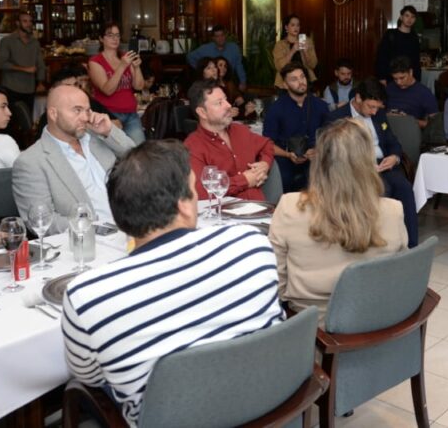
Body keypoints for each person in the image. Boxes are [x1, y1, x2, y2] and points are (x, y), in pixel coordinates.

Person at [62, 140, 283, 425]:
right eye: (193, 192)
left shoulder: (86, 296)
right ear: (184, 207)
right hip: (267, 404)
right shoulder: (251, 243)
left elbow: (89, 375)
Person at [268, 118, 408, 316]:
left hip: (313, 328)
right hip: (376, 322)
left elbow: (277, 282)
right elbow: (401, 274)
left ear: (319, 160)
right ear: (368, 161)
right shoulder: (393, 211)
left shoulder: (290, 207)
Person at [12, 84, 135, 234]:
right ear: (53, 114)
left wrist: (108, 132)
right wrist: (93, 228)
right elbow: (40, 220)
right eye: (77, 110)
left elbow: (137, 160)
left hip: (132, 224)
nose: (85, 117)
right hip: (88, 241)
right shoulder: (31, 161)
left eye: (87, 110)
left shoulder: (97, 137)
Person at [327, 77, 418, 247]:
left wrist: (395, 157)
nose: (375, 112)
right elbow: (333, 153)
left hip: (383, 164)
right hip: (355, 167)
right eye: (371, 107)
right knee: (384, 188)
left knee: (405, 187)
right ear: (359, 98)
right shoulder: (336, 117)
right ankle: (380, 244)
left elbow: (393, 142)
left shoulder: (379, 115)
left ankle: (411, 245)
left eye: (378, 107)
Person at [184, 80, 273, 201]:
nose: (228, 105)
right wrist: (244, 180)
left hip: (260, 210)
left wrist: (265, 164)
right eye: (219, 103)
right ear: (202, 112)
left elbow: (267, 144)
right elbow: (201, 192)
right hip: (222, 216)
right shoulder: (193, 146)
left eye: (226, 99)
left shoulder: (240, 131)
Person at [263, 64, 328, 193]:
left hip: (315, 156)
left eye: (302, 77)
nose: (301, 82)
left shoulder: (321, 106)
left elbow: (331, 135)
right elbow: (267, 143)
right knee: (284, 178)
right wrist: (287, 154)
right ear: (285, 85)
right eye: (294, 79)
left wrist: (317, 149)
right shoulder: (276, 108)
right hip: (285, 156)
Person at [88, 21, 146, 145]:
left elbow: (139, 86)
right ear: (101, 39)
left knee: (139, 151)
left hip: (131, 114)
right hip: (110, 115)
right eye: (110, 35)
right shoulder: (95, 62)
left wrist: (136, 67)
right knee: (116, 152)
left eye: (117, 35)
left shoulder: (125, 56)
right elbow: (107, 90)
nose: (115, 39)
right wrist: (122, 66)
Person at [35, 65, 117, 133]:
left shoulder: (90, 103)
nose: (74, 89)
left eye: (76, 85)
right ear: (53, 90)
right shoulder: (49, 117)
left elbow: (118, 123)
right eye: (67, 86)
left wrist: (99, 125)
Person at [0, 10, 46, 113]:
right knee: (10, 121)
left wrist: (40, 82)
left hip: (30, 88)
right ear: (18, 23)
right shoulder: (7, 41)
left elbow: (40, 64)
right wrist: (24, 69)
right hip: (11, 87)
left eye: (30, 21)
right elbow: (2, 64)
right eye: (25, 21)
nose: (29, 24)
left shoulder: (35, 42)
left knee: (27, 121)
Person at [186, 25, 247, 89]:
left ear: (225, 35)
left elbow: (239, 65)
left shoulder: (234, 48)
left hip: (229, 81)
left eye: (222, 35)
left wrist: (243, 81)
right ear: (213, 38)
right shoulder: (205, 49)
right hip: (211, 83)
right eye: (217, 36)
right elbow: (189, 57)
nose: (220, 38)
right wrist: (202, 70)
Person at [386, 55, 439, 128]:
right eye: (395, 79)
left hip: (410, 131)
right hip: (388, 128)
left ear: (410, 72)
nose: (398, 82)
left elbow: (435, 124)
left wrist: (410, 121)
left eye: (402, 78)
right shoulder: (389, 88)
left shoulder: (424, 93)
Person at [375, 5, 421, 83]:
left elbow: (416, 61)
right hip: (391, 78)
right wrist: (382, 77)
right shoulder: (390, 34)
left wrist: (417, 80)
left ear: (415, 20)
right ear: (401, 17)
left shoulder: (414, 37)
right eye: (407, 16)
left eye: (412, 17)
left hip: (408, 79)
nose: (409, 19)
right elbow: (382, 57)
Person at [272, 14, 318, 88]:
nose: (296, 28)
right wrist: (293, 50)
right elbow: (279, 67)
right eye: (293, 25)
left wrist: (305, 52)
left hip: (305, 82)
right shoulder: (280, 45)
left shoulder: (307, 41)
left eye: (298, 25)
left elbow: (313, 65)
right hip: (285, 84)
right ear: (286, 27)